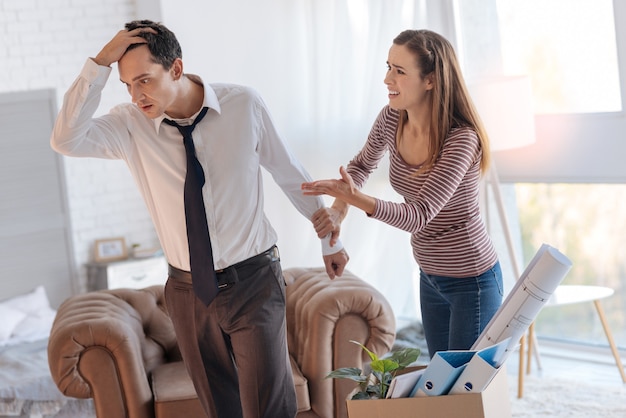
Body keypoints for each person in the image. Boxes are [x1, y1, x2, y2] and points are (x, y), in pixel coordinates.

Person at [50, 20, 349, 418]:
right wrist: (100, 62)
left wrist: (330, 240)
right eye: (127, 84)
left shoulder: (244, 104)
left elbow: (290, 173)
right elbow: (65, 138)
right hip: (187, 292)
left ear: (175, 68)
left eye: (145, 80)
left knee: (270, 408)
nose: (137, 95)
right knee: (220, 408)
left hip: (254, 281)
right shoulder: (129, 125)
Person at [302, 29, 503, 357]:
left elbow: (419, 215)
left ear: (430, 80)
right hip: (430, 276)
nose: (386, 78)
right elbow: (361, 166)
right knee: (440, 385)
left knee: (464, 392)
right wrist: (339, 209)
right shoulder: (391, 119)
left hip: (472, 282)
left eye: (399, 71)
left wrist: (355, 199)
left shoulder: (462, 139)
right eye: (387, 66)